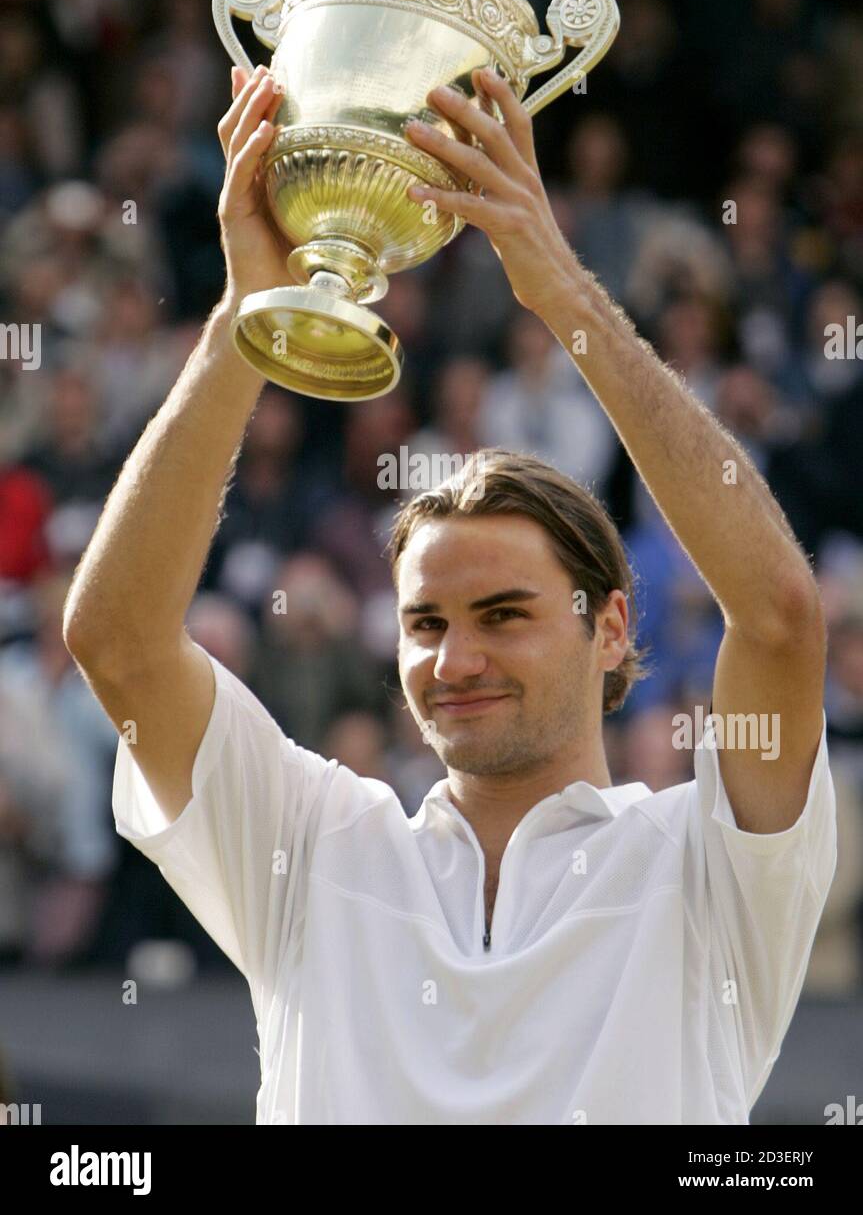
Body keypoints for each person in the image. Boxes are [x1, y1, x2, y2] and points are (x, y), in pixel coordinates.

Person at [63, 63, 837, 1125]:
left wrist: (563, 293)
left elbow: (779, 619)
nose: (453, 660)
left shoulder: (705, 864)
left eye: (503, 613)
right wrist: (249, 315)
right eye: (425, 622)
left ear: (609, 626)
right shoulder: (314, 842)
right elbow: (116, 643)